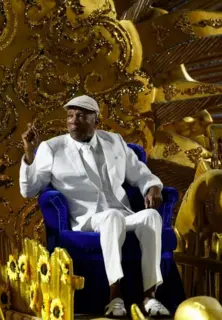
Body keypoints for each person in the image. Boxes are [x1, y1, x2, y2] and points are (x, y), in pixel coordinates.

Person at [19, 95, 170, 317]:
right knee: (111, 217)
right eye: (70, 116)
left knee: (150, 217)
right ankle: (115, 296)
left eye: (80, 115)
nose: (73, 120)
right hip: (87, 219)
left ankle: (150, 296)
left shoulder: (114, 142)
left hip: (122, 213)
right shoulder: (52, 148)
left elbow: (140, 173)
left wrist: (153, 187)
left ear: (96, 119)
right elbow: (29, 190)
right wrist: (30, 155)